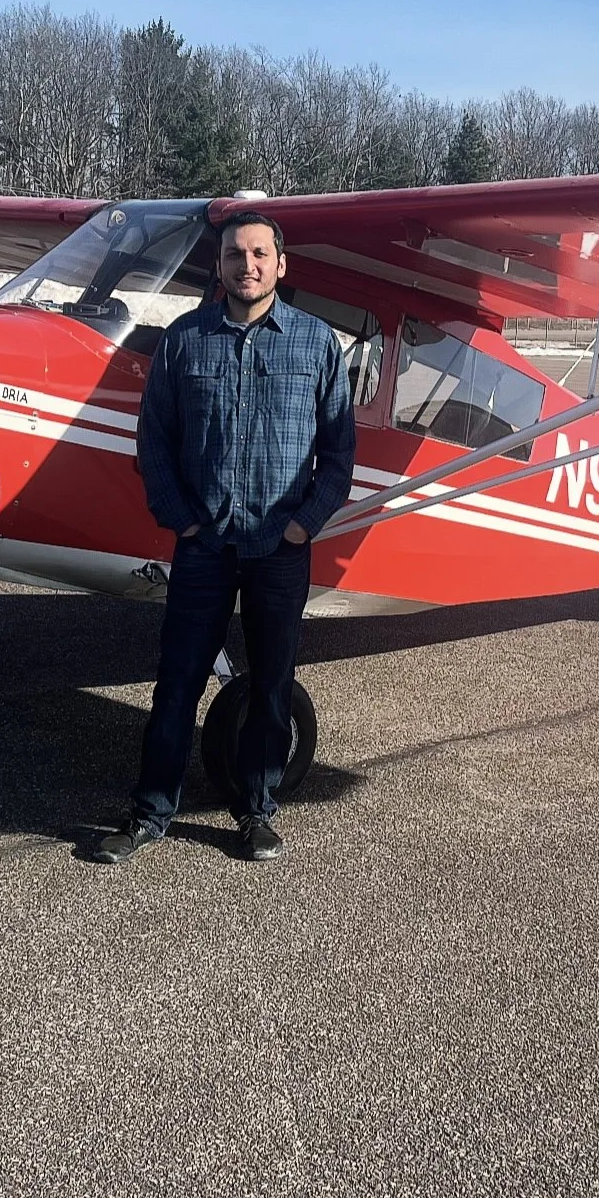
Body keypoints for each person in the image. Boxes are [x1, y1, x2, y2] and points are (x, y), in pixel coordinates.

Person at [95, 211, 356, 865]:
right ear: (219, 265)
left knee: (270, 685)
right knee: (177, 683)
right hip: (205, 542)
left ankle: (257, 811)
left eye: (261, 253)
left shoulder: (316, 344)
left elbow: (340, 453)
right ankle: (152, 811)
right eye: (235, 254)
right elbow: (153, 439)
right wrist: (179, 515)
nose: (249, 265)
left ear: (281, 263)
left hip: (280, 546)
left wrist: (303, 523)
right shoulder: (185, 342)